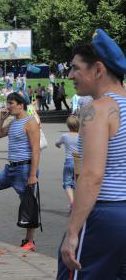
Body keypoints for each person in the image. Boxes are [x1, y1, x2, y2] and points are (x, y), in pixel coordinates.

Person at [58, 29, 126, 279]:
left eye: (76, 68)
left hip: (104, 214)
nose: (70, 75)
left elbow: (91, 175)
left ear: (98, 70)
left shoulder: (96, 109)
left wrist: (73, 231)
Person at [0, 92, 40, 252]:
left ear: (20, 104)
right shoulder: (13, 122)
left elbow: (36, 149)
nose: (8, 106)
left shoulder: (30, 123)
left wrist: (32, 175)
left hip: (25, 168)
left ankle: (29, 241)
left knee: (29, 204)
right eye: (8, 103)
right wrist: (2, 119)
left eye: (11, 103)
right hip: (11, 168)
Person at [55, 115, 79, 208]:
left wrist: (59, 145)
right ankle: (79, 201)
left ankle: (72, 201)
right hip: (79, 161)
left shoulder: (65, 136)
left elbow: (57, 143)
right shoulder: (81, 136)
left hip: (69, 161)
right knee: (79, 182)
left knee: (67, 182)